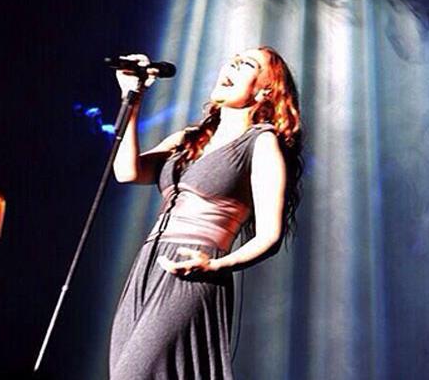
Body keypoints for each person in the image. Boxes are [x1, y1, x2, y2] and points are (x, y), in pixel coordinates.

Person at [109, 46, 303, 379]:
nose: (232, 64)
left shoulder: (261, 143)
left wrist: (214, 265)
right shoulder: (188, 139)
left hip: (193, 270)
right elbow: (127, 172)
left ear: (266, 91)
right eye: (232, 60)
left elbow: (270, 235)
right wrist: (133, 100)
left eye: (246, 64)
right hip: (149, 265)